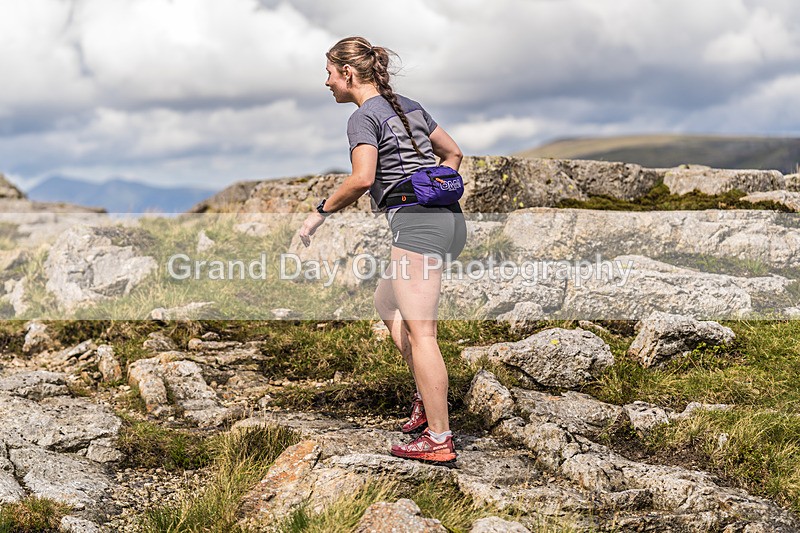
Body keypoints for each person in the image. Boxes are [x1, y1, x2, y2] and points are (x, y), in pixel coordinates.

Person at [298, 36, 466, 465]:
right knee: (386, 302)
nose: (327, 82)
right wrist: (434, 184)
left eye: (330, 73)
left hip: (417, 224)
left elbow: (360, 178)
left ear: (348, 74)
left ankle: (439, 437)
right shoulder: (408, 105)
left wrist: (318, 213)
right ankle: (425, 400)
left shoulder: (363, 117)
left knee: (422, 332)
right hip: (446, 220)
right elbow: (453, 153)